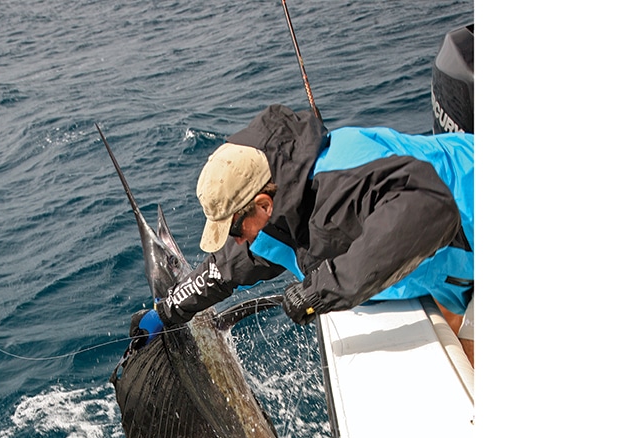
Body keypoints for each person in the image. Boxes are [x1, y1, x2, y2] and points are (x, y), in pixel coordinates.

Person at [132, 104, 474, 365]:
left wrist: (321, 290)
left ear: (263, 204)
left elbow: (429, 209)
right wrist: (166, 312)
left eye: (234, 228)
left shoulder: (340, 185)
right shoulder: (277, 205)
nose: (235, 239)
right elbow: (230, 267)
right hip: (451, 272)